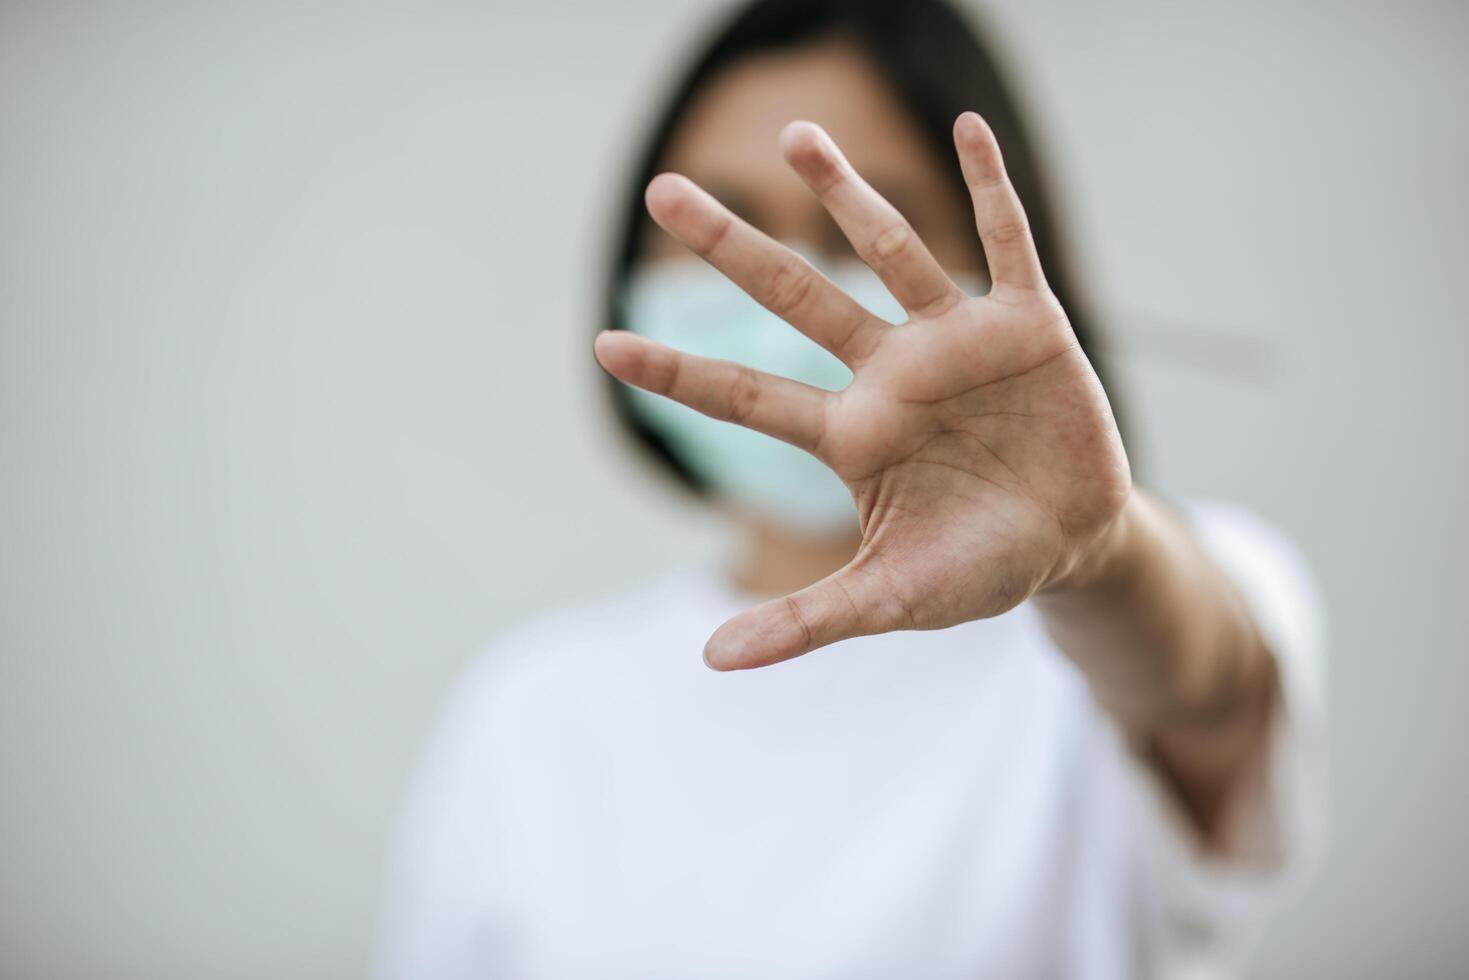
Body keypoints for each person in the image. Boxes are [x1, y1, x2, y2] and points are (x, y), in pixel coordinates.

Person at [376, 1, 1326, 977]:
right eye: (725, 223)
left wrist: (1097, 548)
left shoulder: (1123, 619)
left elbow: (1203, 687)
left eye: (860, 226)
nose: (781, 284)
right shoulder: (528, 712)